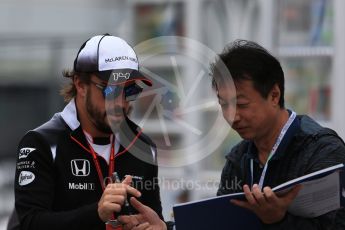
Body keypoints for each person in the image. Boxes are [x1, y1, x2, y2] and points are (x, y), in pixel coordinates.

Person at [119, 39, 345, 229]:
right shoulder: (240, 157)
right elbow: (221, 225)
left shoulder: (323, 151)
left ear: (274, 95)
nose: (232, 116)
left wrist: (280, 219)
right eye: (224, 105)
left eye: (242, 104)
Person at [12, 34, 164, 230]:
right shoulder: (41, 143)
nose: (119, 103)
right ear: (80, 84)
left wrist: (163, 227)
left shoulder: (143, 146)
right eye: (110, 90)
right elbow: (30, 223)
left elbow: (154, 219)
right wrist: (96, 214)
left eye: (129, 90)